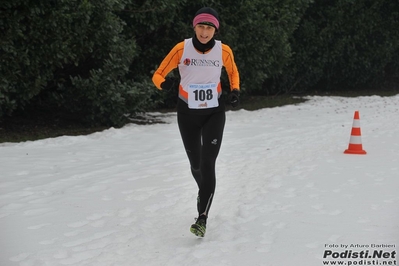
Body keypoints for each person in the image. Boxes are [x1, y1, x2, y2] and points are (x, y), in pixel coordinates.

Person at [152, 7, 240, 237]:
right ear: (194, 27)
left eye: (209, 27)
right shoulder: (182, 49)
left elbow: (233, 73)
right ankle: (204, 190)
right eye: (201, 26)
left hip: (214, 113)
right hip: (187, 114)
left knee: (208, 163)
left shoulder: (224, 51)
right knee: (196, 165)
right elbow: (158, 74)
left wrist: (235, 90)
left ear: (215, 30)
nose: (204, 32)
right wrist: (164, 84)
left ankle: (202, 217)